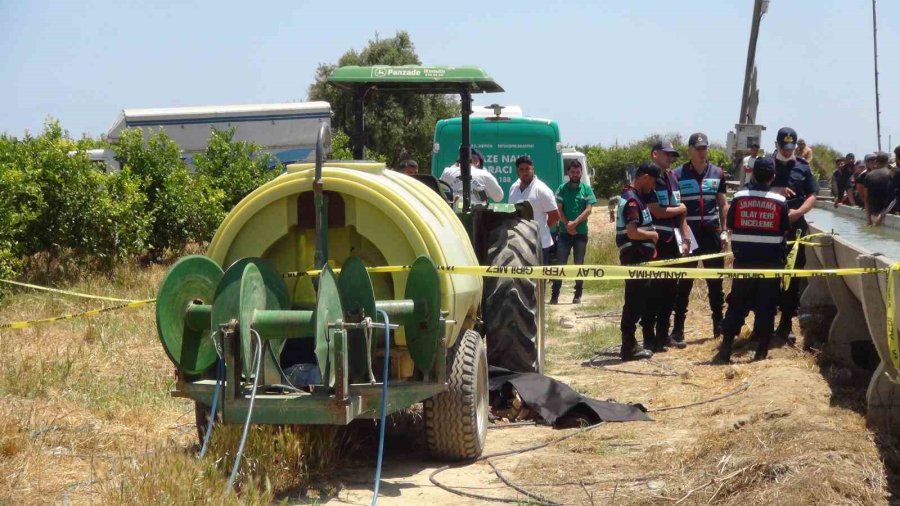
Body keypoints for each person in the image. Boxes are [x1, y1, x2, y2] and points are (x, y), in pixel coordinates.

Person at [715, 156, 790, 363]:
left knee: (737, 303)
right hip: (771, 263)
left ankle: (726, 348)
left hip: (744, 261)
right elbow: (784, 230)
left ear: (753, 174)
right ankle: (761, 352)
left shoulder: (739, 197)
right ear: (773, 176)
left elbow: (731, 225)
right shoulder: (780, 201)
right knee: (767, 305)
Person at [671, 132, 728, 341]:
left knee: (716, 282)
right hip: (689, 236)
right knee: (684, 282)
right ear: (690, 151)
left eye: (704, 148)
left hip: (712, 234)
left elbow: (723, 204)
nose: (702, 152)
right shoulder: (677, 174)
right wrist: (683, 236)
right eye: (698, 148)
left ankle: (719, 326)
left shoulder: (717, 172)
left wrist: (724, 230)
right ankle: (678, 329)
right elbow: (676, 207)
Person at [771, 127, 818, 344]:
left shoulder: (803, 166)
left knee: (791, 277)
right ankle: (765, 323)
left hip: (795, 228)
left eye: (790, 147)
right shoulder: (766, 164)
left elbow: (812, 195)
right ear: (777, 145)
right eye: (784, 147)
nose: (787, 151)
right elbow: (754, 189)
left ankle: (786, 324)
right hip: (771, 228)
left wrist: (798, 212)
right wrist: (777, 191)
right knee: (769, 277)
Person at [640, 140, 689, 351]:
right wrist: (681, 209)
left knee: (670, 291)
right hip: (655, 243)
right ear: (655, 154)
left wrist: (685, 239)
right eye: (666, 154)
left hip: (673, 242)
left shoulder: (673, 178)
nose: (670, 158)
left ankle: (663, 335)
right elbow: (657, 211)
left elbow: (681, 213)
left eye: (672, 155)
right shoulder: (649, 179)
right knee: (653, 291)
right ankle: (648, 337)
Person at [616, 162, 659, 361]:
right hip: (635, 256)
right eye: (653, 182)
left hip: (640, 256)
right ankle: (629, 346)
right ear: (645, 177)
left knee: (639, 299)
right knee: (634, 300)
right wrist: (652, 235)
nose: (653, 187)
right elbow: (632, 232)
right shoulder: (632, 201)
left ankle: (631, 343)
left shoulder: (636, 197)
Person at [550, 159, 597, 305]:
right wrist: (567, 224)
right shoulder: (561, 189)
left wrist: (575, 223)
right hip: (564, 234)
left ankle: (578, 294)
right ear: (568, 173)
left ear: (581, 172)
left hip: (580, 233)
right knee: (560, 264)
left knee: (579, 264)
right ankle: (554, 296)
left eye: (578, 172)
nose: (575, 174)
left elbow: (589, 209)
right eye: (572, 172)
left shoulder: (586, 189)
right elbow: (558, 209)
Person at [508, 155, 561, 263]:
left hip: (539, 244)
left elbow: (555, 216)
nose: (525, 172)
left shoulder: (542, 190)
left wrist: (540, 228)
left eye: (527, 169)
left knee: (538, 274)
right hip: (518, 242)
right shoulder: (513, 188)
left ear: (533, 169)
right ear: (517, 172)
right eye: (521, 169)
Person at [439, 147, 503, 205]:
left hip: (451, 213)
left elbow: (438, 193)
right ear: (478, 162)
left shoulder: (447, 172)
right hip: (476, 213)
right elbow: (498, 197)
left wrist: (454, 167)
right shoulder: (485, 175)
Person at [865, 152, 893, 225]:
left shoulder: (869, 175)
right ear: (887, 161)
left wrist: (868, 219)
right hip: (889, 211)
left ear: (876, 161)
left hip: (873, 211)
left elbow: (866, 198)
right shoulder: (892, 174)